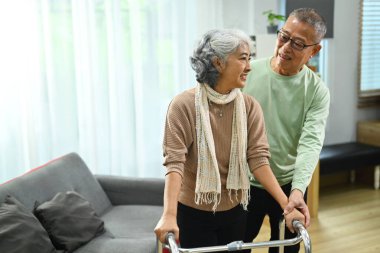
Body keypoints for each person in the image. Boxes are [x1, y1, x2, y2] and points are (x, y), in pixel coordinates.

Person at [154, 28, 305, 251]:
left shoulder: (249, 106)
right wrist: (168, 215)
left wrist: (287, 205)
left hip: (236, 211)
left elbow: (258, 160)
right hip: (193, 213)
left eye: (250, 58)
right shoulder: (183, 106)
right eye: (243, 58)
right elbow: (174, 163)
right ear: (218, 63)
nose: (249, 66)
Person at [243, 8, 330, 253]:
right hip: (246, 183)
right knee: (240, 243)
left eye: (298, 43)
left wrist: (298, 191)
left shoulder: (317, 91)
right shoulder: (247, 73)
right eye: (284, 36)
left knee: (286, 247)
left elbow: (310, 143)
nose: (286, 47)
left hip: (289, 184)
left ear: (314, 51)